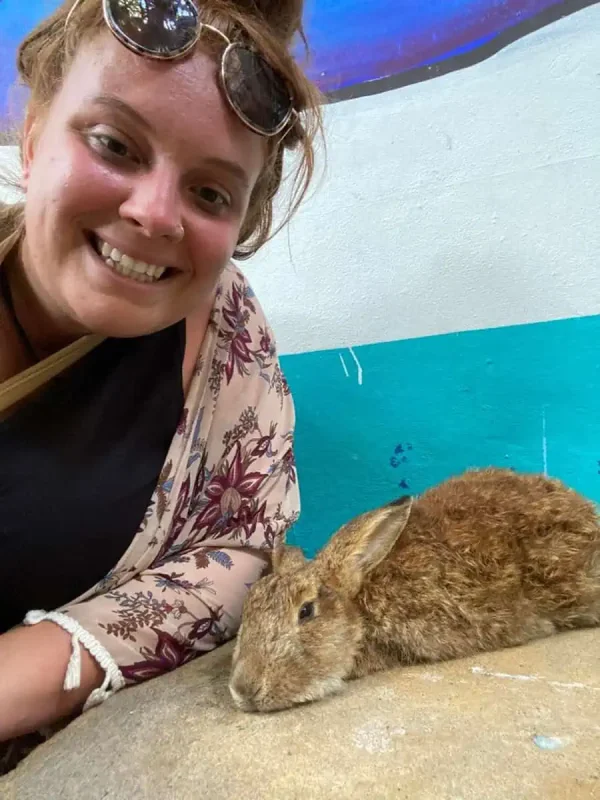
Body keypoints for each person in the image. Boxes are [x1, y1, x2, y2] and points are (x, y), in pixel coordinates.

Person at [0, 0, 322, 773]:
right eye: (114, 144)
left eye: (211, 193)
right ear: (36, 134)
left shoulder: (225, 340)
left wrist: (39, 667)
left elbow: (245, 545)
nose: (153, 214)